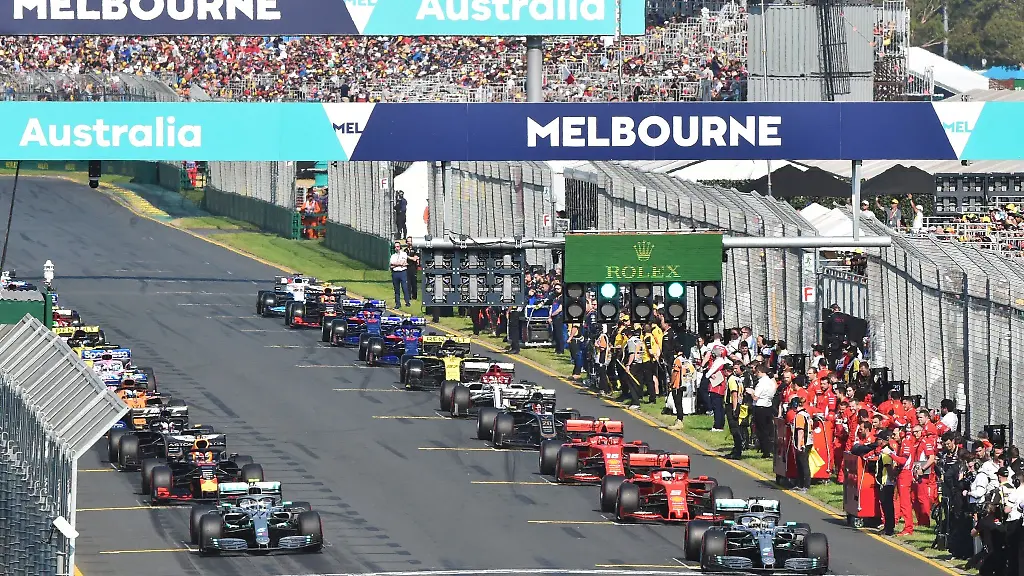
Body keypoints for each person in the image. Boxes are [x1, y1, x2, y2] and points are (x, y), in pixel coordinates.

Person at [748, 363, 777, 459]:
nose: (756, 374)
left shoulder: (761, 383)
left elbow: (755, 397)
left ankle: (765, 451)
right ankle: (768, 448)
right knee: (768, 429)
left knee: (761, 430)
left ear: (760, 372)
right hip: (768, 406)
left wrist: (751, 392)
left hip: (760, 407)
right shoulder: (771, 382)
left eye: (756, 373)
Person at [791, 397, 813, 492]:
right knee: (801, 464)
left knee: (803, 464)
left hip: (803, 443)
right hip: (808, 442)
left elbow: (800, 431)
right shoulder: (806, 413)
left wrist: (799, 445)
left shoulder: (800, 415)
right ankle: (800, 484)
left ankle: (805, 485)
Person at [389, 241, 411, 308]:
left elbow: (403, 262)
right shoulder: (393, 256)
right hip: (395, 273)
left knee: (405, 288)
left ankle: (407, 302)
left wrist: (395, 264)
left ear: (400, 247)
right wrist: (398, 264)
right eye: (395, 247)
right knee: (396, 289)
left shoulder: (404, 254)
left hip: (402, 272)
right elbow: (391, 264)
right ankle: (398, 304)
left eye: (398, 246)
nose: (397, 248)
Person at [405, 237, 419, 301]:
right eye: (408, 241)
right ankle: (408, 296)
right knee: (408, 282)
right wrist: (410, 258)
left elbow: (415, 258)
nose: (409, 242)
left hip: (413, 267)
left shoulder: (415, 249)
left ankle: (414, 296)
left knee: (414, 282)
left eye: (410, 241)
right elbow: (404, 257)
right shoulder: (405, 250)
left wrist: (408, 257)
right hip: (407, 267)